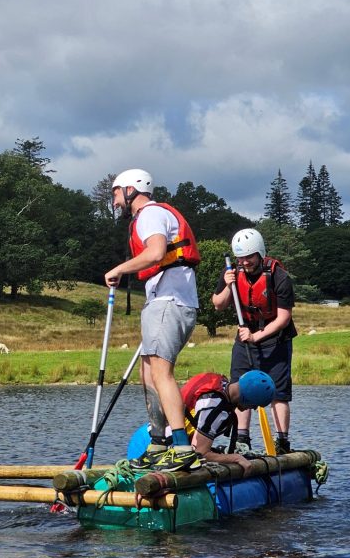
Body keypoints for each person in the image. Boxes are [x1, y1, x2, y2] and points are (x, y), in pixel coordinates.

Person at [105, 168, 202, 472]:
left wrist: (119, 269)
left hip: (168, 302)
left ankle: (183, 448)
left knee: (161, 373)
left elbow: (157, 252)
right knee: (148, 375)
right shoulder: (147, 215)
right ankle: (158, 444)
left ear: (132, 189)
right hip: (164, 302)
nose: (115, 200)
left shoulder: (149, 214)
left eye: (116, 192)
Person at [211, 228, 297, 455]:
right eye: (241, 257)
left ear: (260, 254)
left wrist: (256, 336)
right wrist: (229, 286)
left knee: (278, 392)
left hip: (276, 338)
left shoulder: (279, 277)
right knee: (239, 386)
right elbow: (218, 304)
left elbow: (283, 317)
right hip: (244, 337)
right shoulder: (231, 272)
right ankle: (242, 439)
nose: (245, 262)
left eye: (249, 257)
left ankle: (282, 442)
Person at [176, 369, 276, 475]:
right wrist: (236, 458)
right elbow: (200, 454)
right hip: (174, 448)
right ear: (250, 399)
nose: (253, 408)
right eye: (255, 405)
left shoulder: (221, 384)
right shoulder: (215, 408)